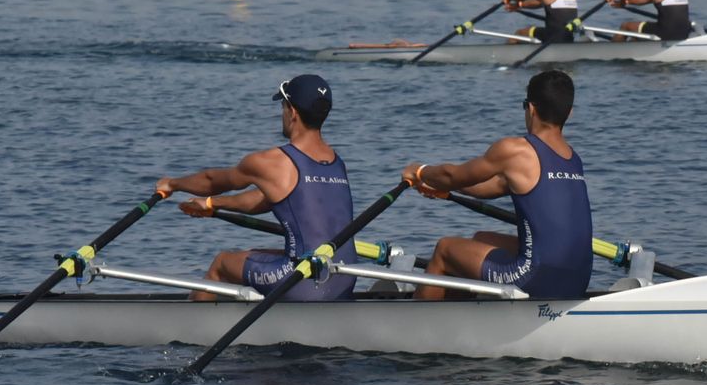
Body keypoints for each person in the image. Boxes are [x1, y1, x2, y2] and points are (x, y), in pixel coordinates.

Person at [155, 74, 356, 302]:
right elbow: (268, 199)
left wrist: (172, 184)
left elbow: (212, 181)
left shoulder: (272, 162)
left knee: (222, 263)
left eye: (282, 106)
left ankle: (191, 328)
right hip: (344, 276)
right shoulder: (336, 163)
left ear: (292, 112)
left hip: (303, 282)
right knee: (260, 255)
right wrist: (212, 204)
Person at [401, 69, 592, 301]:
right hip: (578, 278)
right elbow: (487, 187)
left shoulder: (516, 150)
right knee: (482, 239)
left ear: (530, 109)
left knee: (445, 249)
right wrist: (443, 189)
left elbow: (453, 175)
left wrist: (420, 171)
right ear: (569, 113)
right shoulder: (573, 158)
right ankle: (464, 315)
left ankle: (419, 326)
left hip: (535, 278)